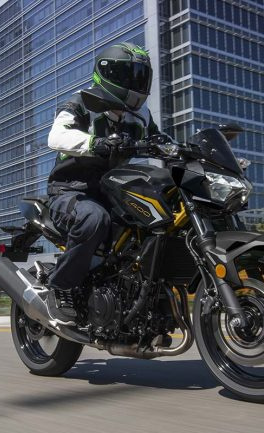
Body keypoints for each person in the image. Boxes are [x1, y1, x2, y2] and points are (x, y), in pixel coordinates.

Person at [43, 42, 164, 323]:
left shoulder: (142, 115)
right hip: (72, 191)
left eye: (140, 76)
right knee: (93, 219)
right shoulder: (82, 102)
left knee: (157, 221)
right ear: (108, 74)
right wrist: (95, 143)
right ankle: (61, 287)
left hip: (115, 192)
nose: (135, 83)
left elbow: (160, 140)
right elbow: (56, 136)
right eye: (128, 75)